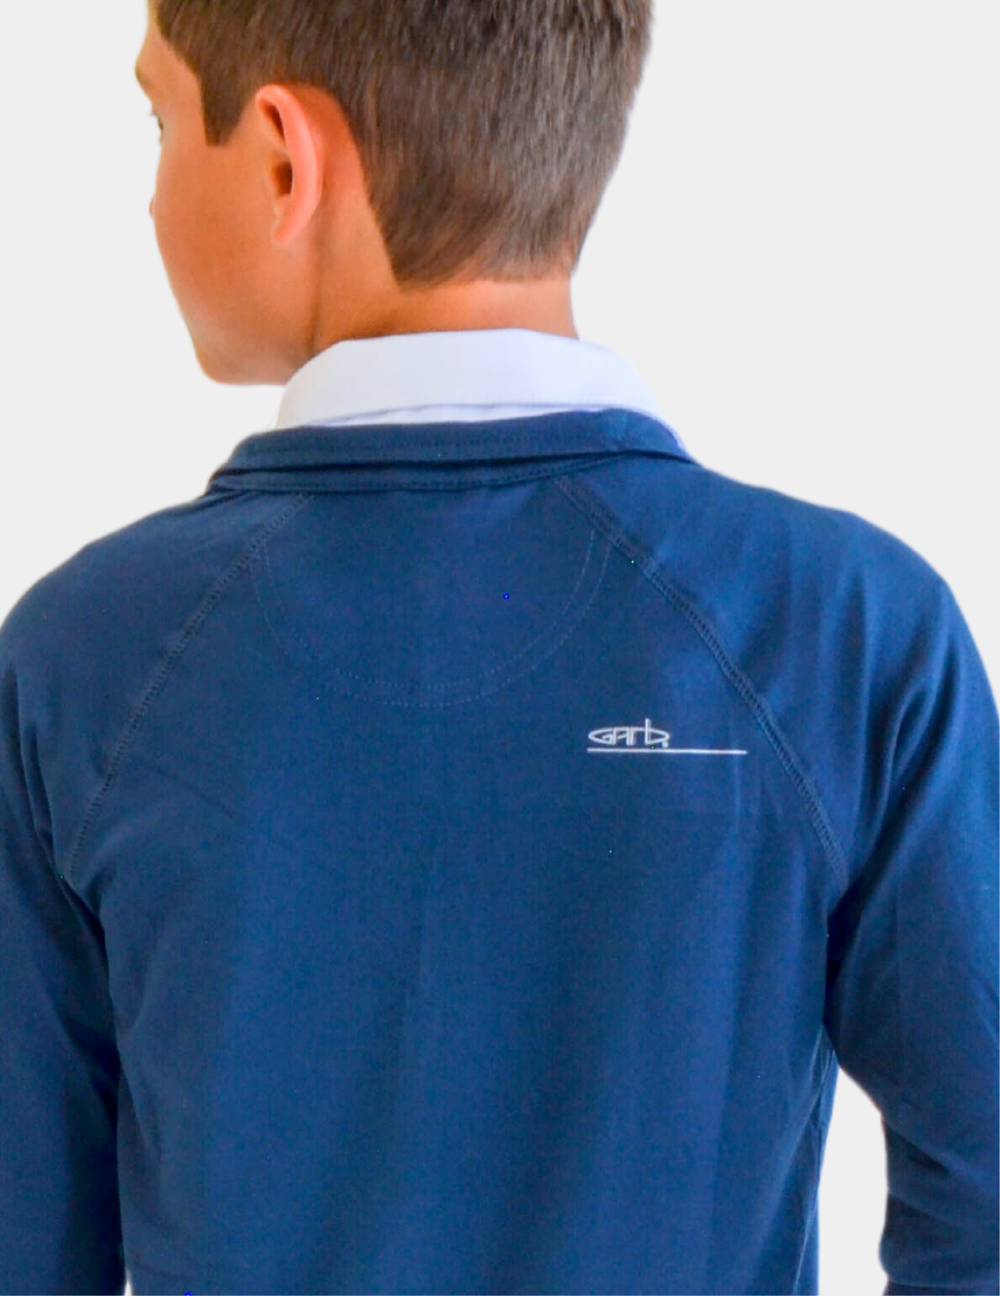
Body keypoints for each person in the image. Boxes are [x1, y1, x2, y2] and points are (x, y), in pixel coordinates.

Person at [1, 0, 996, 1293]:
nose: (148, 197)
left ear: (285, 159)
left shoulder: (86, 661)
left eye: (160, 123)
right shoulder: (846, 629)